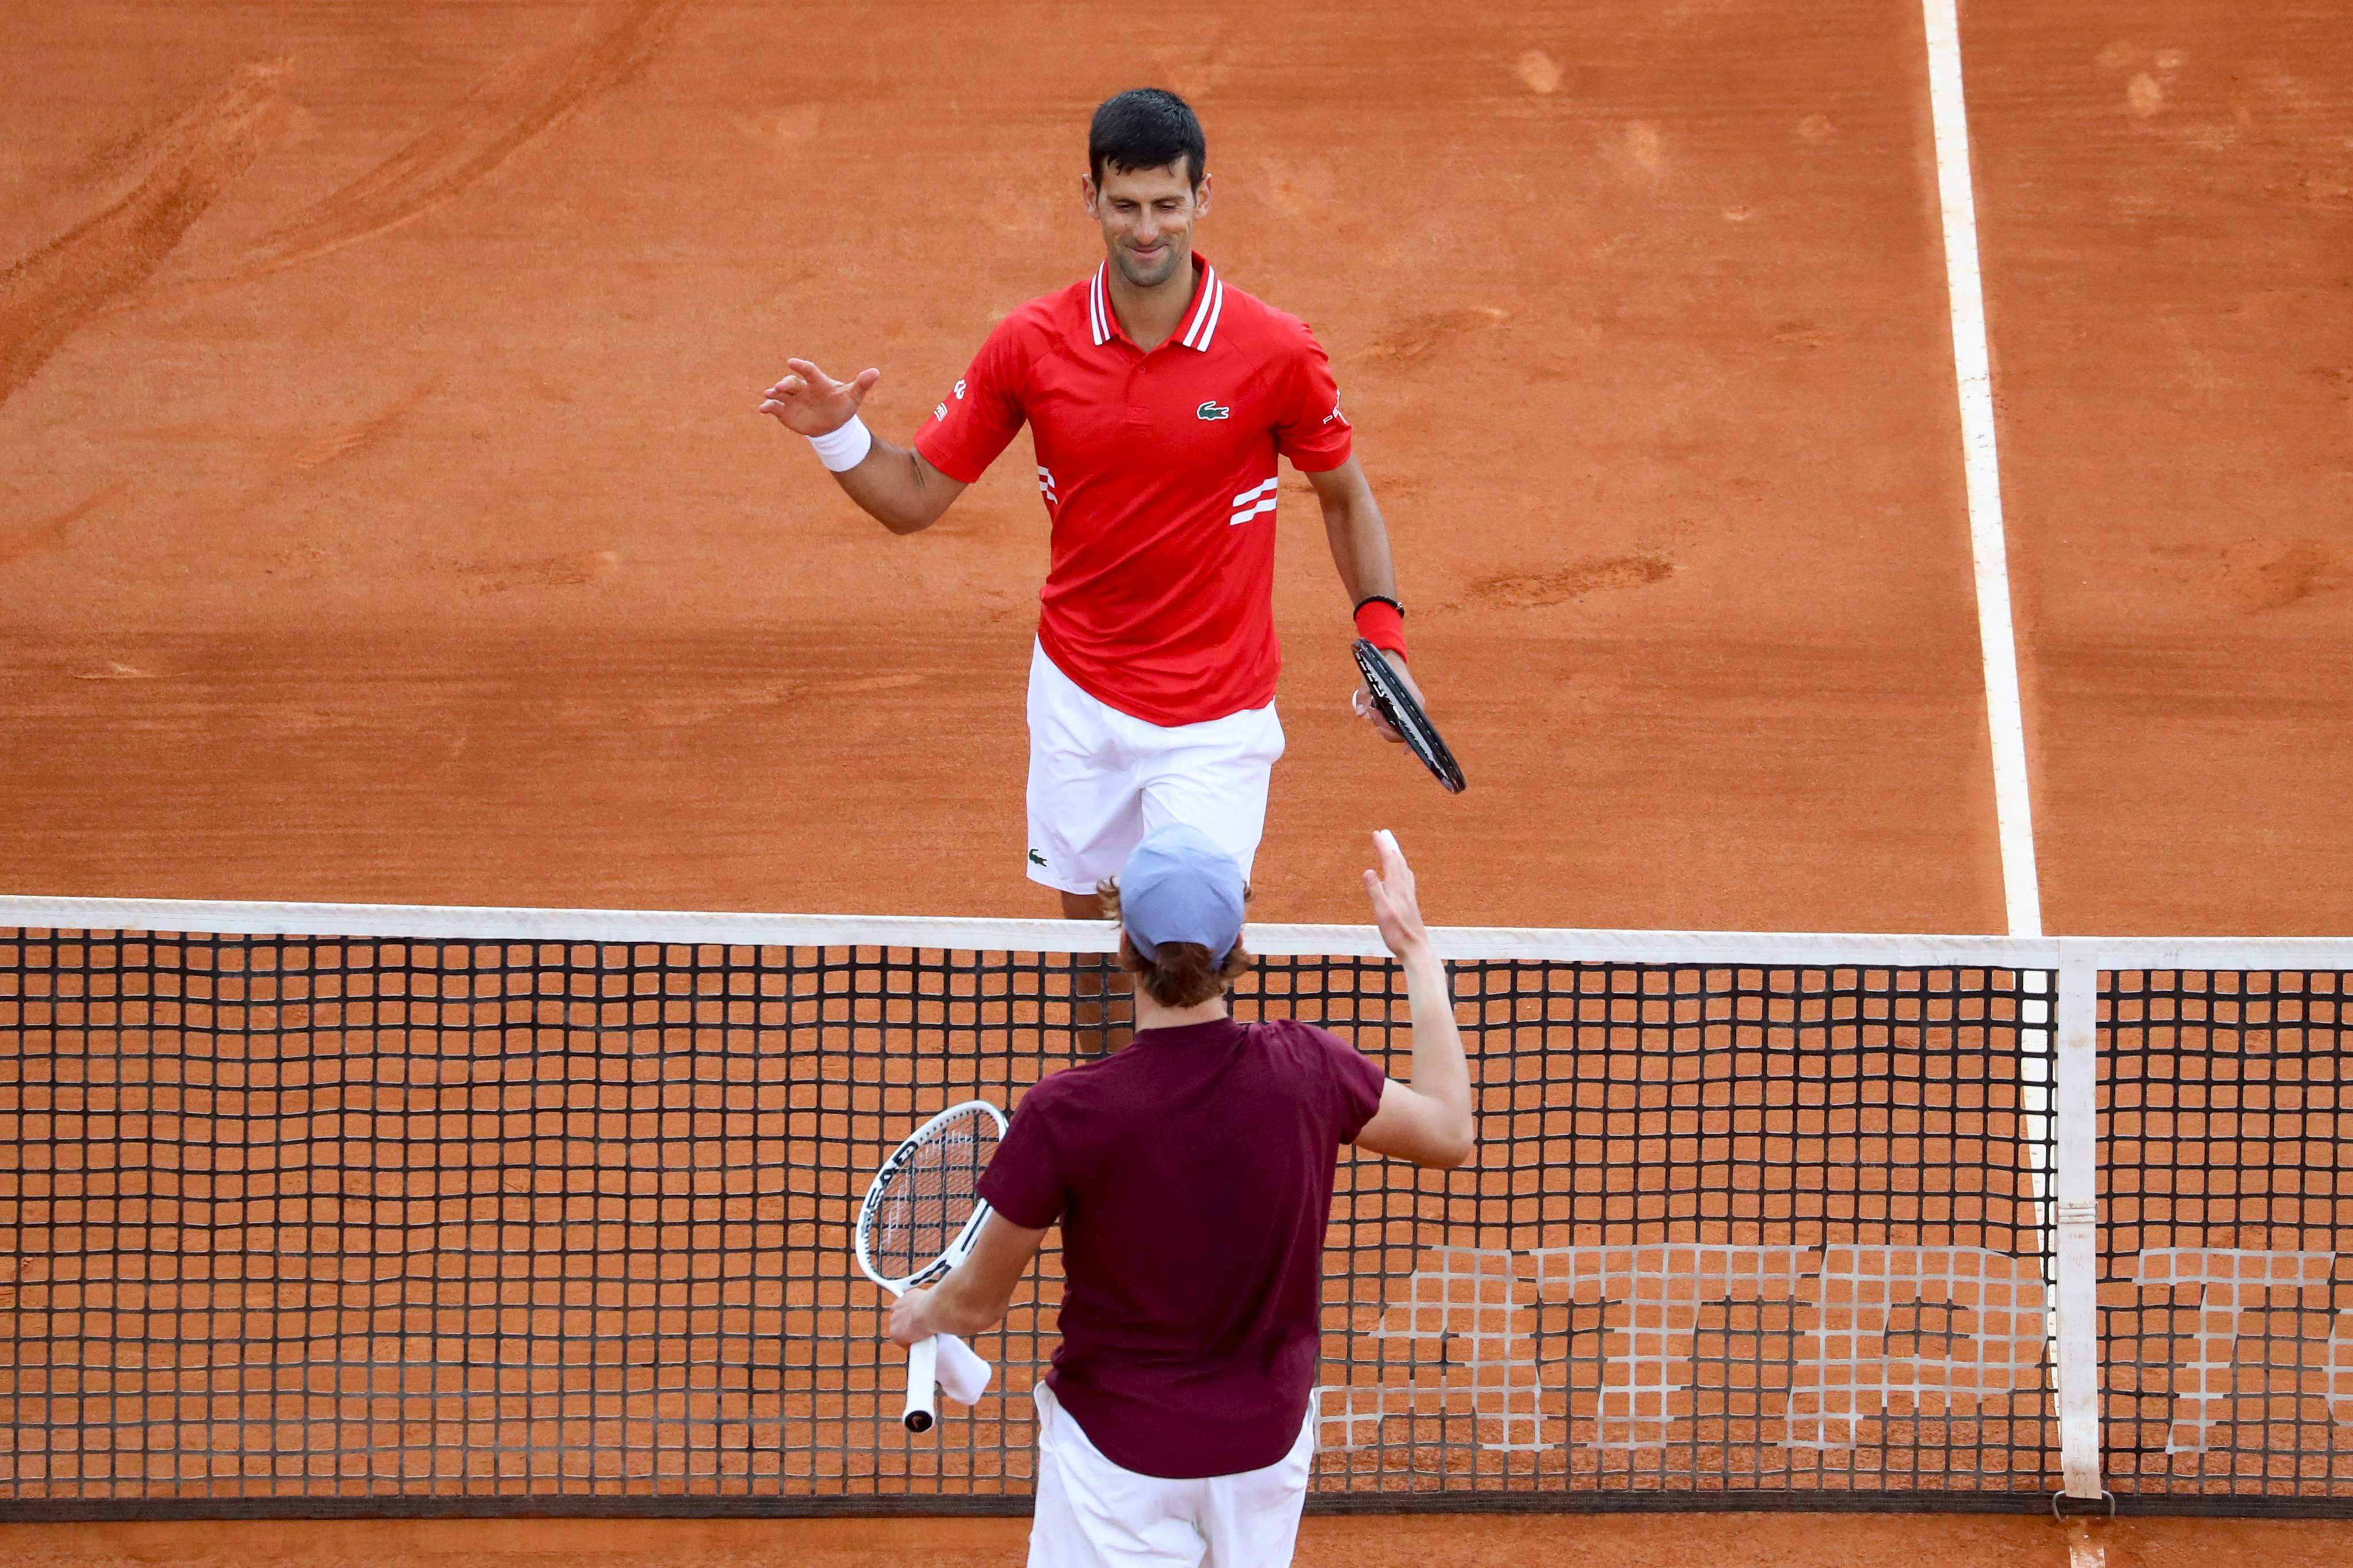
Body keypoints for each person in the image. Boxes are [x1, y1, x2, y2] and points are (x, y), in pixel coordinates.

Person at [758, 89, 1431, 930]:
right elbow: (915, 496)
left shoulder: (1275, 352)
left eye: (1166, 205)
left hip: (1215, 715)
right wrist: (839, 436)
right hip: (1078, 700)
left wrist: (1385, 643)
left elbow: (1345, 496)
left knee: (1186, 951)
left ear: (1202, 197)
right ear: (1090, 198)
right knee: (1095, 957)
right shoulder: (1031, 344)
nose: (1147, 231)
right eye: (1125, 206)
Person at [883, 825, 1473, 1567]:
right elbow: (1449, 1131)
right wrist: (1415, 948)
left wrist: (923, 1312)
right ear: (1236, 945)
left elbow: (976, 1305)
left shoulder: (1067, 1111)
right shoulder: (1307, 1067)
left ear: (1123, 945)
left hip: (1117, 1462)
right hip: (1264, 1454)